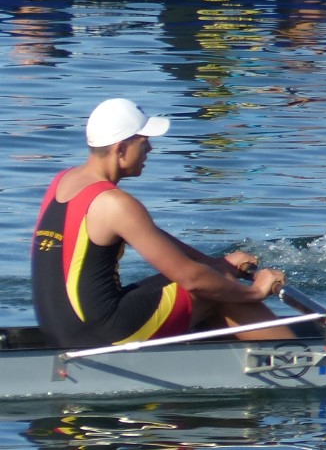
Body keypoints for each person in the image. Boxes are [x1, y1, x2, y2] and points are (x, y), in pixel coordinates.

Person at [31, 98, 292, 349]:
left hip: (61, 330)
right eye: (144, 143)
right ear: (120, 149)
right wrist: (256, 291)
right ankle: (295, 358)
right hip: (102, 335)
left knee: (213, 275)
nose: (150, 150)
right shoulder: (115, 203)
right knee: (214, 286)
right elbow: (193, 279)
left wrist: (215, 263)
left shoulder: (63, 181)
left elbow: (149, 234)